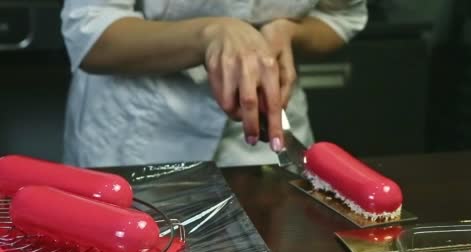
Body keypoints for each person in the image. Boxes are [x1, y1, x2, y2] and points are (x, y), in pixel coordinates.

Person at [60, 1, 368, 168]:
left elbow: (342, 17)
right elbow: (91, 35)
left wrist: (288, 32)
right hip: (139, 142)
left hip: (268, 147)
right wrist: (209, 34)